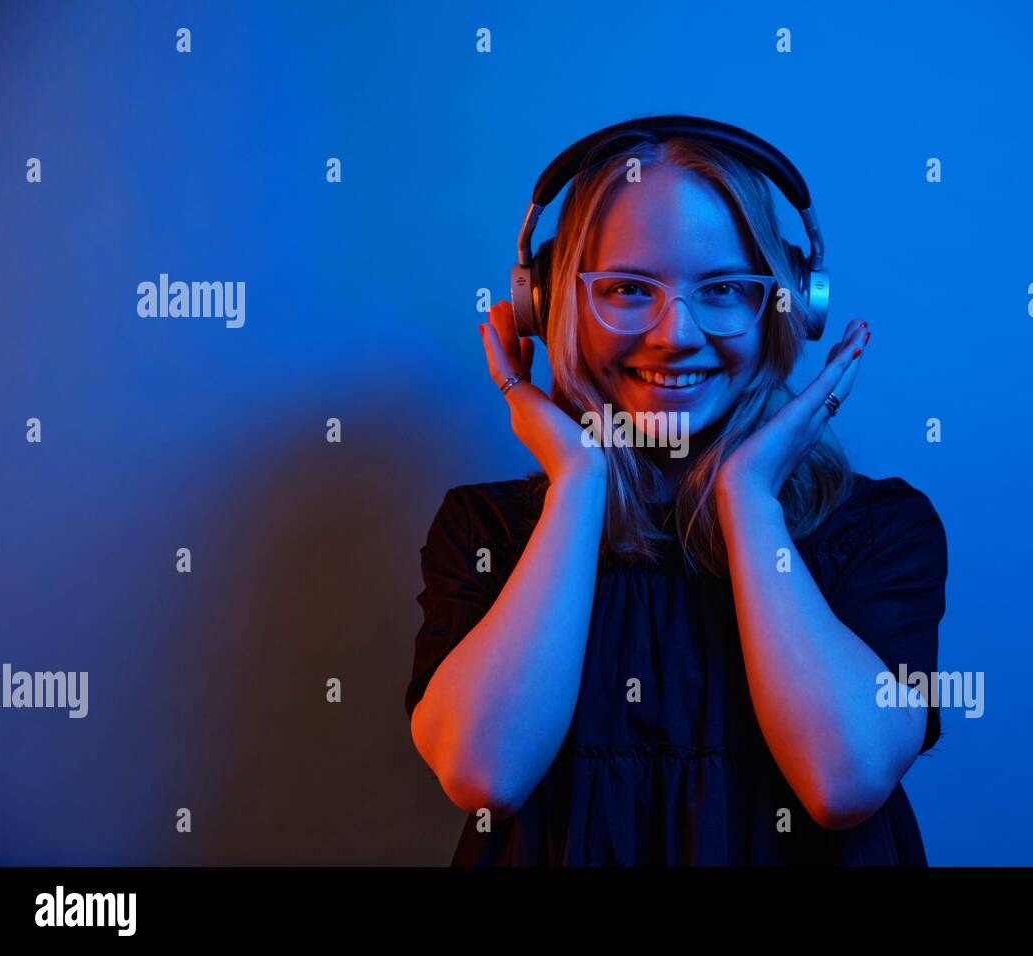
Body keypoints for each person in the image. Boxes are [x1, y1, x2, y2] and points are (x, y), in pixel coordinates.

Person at [405, 123, 948, 865]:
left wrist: (749, 498)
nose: (674, 335)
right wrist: (579, 482)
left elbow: (842, 780)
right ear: (549, 302)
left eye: (723, 289)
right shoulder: (486, 530)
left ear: (789, 305)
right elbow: (484, 774)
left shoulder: (880, 530)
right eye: (628, 289)